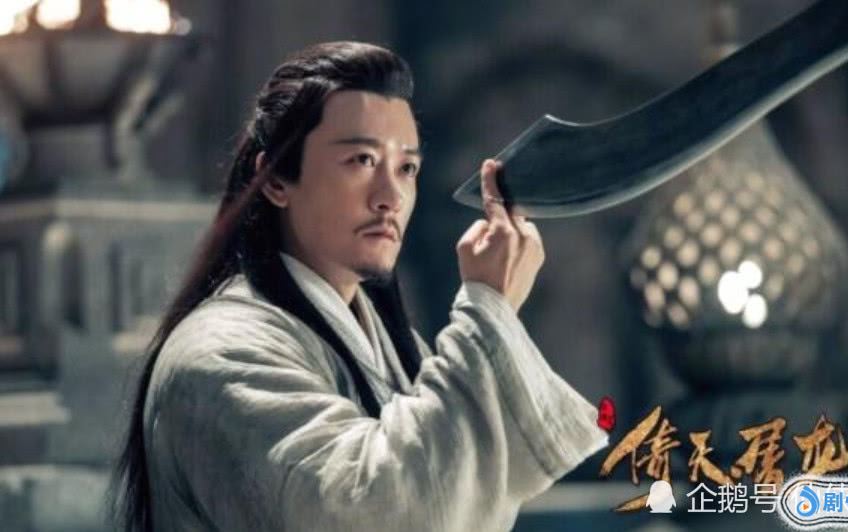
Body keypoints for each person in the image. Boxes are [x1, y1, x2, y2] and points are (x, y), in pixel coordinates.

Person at [111, 40, 607, 532]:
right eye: (362, 160)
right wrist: (487, 309)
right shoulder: (219, 355)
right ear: (277, 180)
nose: (391, 197)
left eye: (406, 168)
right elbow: (378, 515)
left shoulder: (392, 348)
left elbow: (470, 498)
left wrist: (490, 314)